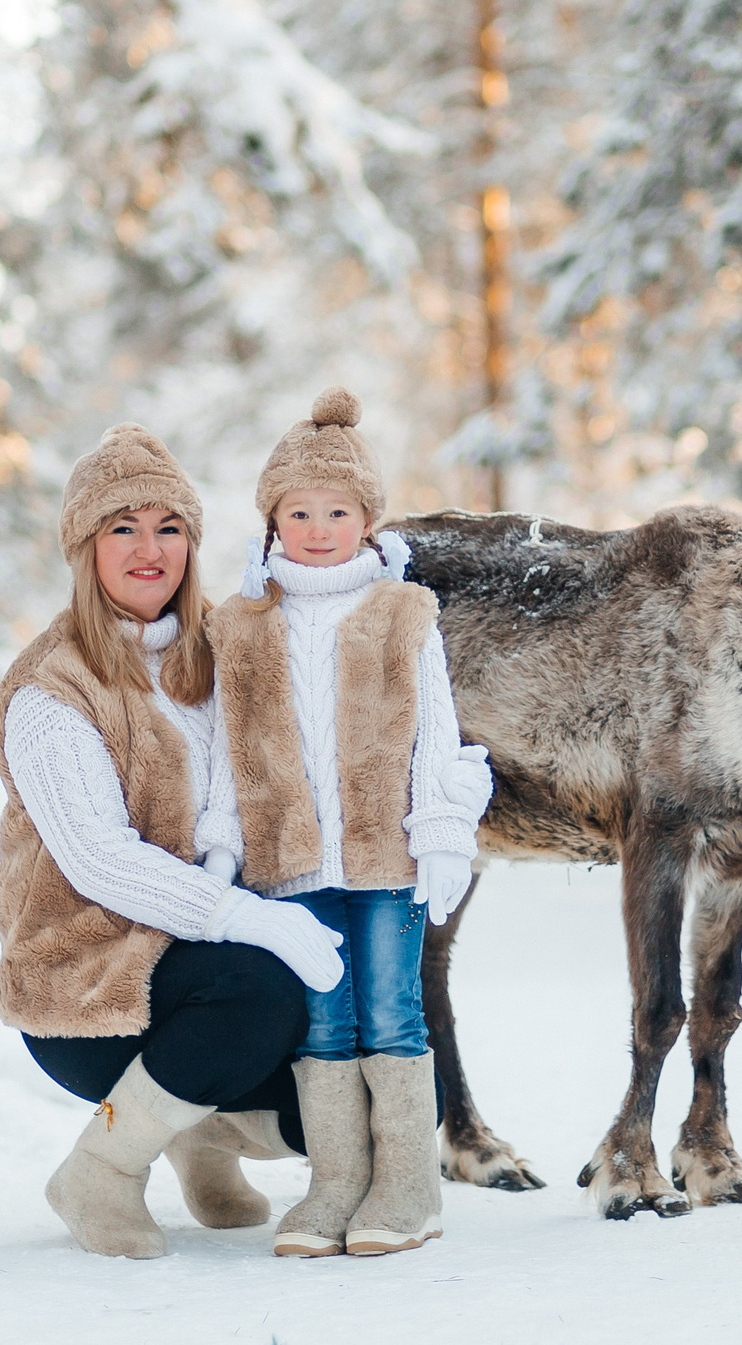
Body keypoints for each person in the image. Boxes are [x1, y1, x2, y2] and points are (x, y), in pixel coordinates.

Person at [0, 423, 349, 1260]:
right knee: (260, 987)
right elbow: (99, 859)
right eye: (123, 527)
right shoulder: (51, 691)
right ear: (85, 546)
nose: (150, 549)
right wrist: (250, 918)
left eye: (170, 527)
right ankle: (103, 1169)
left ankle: (199, 1135)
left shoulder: (218, 649)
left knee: (360, 1083)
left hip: (199, 961)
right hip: (87, 987)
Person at [210, 388, 494, 1258]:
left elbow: (438, 732)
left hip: (387, 858)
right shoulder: (244, 628)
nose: (319, 527)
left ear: (367, 519)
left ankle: (407, 1183)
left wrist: (443, 834)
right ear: (273, 522)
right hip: (292, 863)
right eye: (299, 511)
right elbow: (231, 745)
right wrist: (223, 843)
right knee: (323, 1023)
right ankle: (335, 1183)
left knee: (392, 1012)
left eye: (337, 511)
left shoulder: (401, 614)